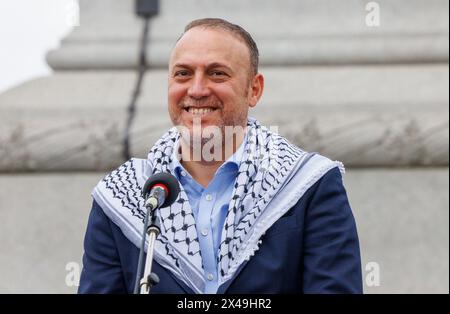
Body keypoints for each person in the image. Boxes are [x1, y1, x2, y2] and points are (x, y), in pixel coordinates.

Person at [78, 18, 362, 294]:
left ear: (254, 89)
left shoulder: (307, 184)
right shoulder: (125, 195)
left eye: (217, 74)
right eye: (183, 74)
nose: (197, 89)